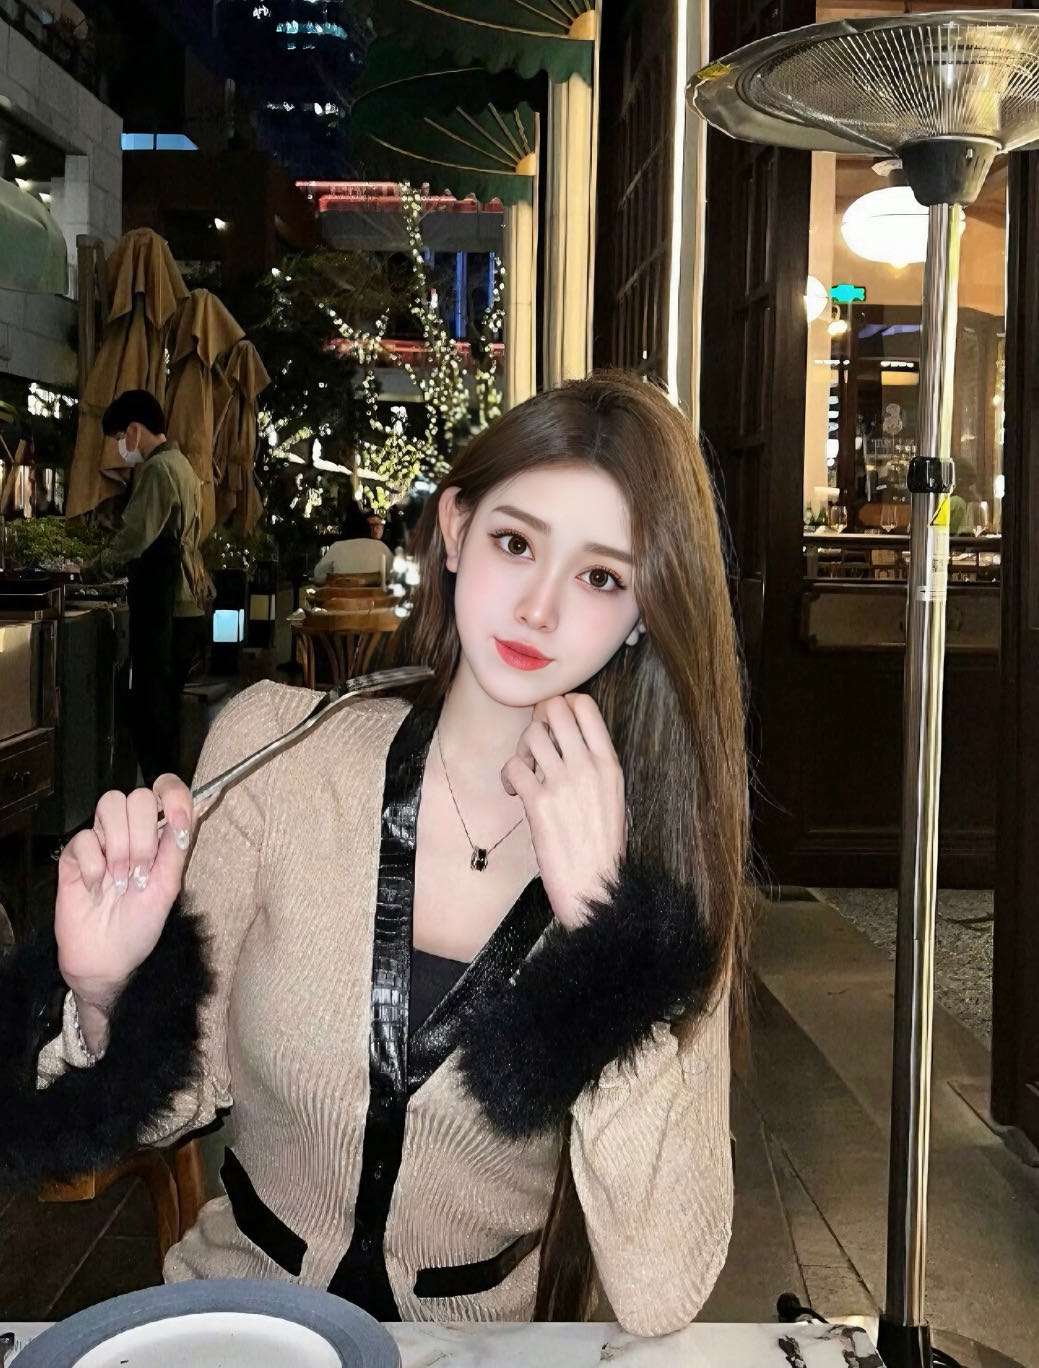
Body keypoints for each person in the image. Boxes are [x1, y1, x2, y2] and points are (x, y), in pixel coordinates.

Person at [0, 373, 749, 1334]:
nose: (538, 609)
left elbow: (660, 1289)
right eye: (516, 544)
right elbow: (169, 1101)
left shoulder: (662, 871)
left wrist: (608, 936)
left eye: (602, 577)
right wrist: (106, 989)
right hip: (241, 1325)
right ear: (455, 530)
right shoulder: (282, 750)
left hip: (475, 1350)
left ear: (645, 610)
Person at [87, 390, 208, 786]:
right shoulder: (183, 465)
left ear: (135, 430)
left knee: (151, 713)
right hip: (189, 601)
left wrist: (93, 567)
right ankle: (171, 793)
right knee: (165, 711)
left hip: (165, 605)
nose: (120, 447)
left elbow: (135, 535)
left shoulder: (157, 470)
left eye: (120, 437)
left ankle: (160, 795)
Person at [312, 499, 393, 585]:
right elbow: (394, 575)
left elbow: (318, 576)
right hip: (375, 593)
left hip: (341, 593)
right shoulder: (381, 547)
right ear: (366, 528)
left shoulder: (337, 547)